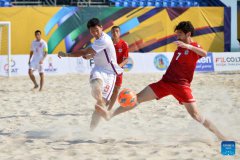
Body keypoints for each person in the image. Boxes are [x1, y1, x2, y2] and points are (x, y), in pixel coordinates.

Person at [96, 21, 227, 140]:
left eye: (180, 34)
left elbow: (204, 53)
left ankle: (221, 136)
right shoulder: (180, 46)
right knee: (136, 98)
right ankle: (110, 114)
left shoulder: (193, 46)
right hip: (165, 82)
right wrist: (183, 46)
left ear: (188, 34)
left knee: (196, 115)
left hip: (181, 86)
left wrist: (188, 47)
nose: (177, 36)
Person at [57, 18, 123, 130]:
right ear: (90, 31)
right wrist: (90, 56)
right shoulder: (97, 41)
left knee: (99, 105)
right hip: (98, 69)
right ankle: (101, 104)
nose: (95, 33)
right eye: (92, 31)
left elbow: (84, 51)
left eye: (97, 30)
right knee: (96, 89)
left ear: (101, 27)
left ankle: (92, 129)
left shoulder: (105, 39)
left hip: (110, 74)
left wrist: (67, 55)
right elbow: (94, 53)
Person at [107, 26, 129, 111]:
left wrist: (118, 66)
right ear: (111, 33)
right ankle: (106, 102)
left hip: (118, 71)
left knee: (116, 90)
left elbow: (126, 59)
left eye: (117, 31)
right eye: (113, 31)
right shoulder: (107, 43)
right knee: (107, 89)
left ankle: (109, 109)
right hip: (108, 70)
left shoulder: (124, 44)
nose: (115, 33)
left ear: (119, 33)